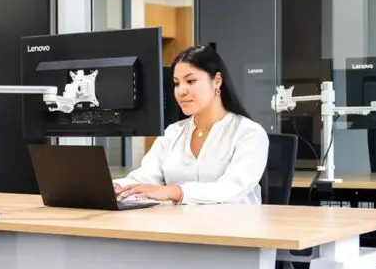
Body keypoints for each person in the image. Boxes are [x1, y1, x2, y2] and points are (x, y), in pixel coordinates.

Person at [113, 45, 269, 204]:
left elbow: (230, 189)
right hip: (182, 226)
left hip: (234, 226)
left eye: (190, 81)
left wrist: (174, 192)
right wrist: (117, 187)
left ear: (217, 81)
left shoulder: (250, 133)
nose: (181, 91)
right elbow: (145, 176)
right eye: (177, 83)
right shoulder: (173, 132)